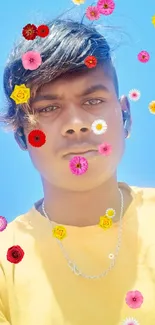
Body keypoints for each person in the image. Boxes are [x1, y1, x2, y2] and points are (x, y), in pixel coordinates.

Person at [0, 12, 155, 325]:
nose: (75, 125)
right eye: (48, 108)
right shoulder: (7, 262)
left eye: (93, 101)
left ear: (125, 114)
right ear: (21, 135)